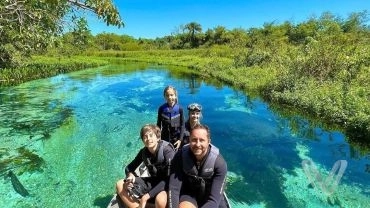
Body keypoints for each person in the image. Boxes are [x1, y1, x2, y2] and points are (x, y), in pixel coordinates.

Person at [168, 124, 228, 208]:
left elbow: (214, 200)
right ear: (189, 140)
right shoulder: (180, 156)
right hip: (189, 194)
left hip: (211, 196)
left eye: (202, 140)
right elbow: (174, 189)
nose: (197, 144)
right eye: (194, 140)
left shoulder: (219, 163)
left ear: (209, 141)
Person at [116, 124, 175, 208]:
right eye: (145, 137)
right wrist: (130, 175)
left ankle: (145, 204)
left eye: (151, 135)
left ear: (158, 137)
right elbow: (129, 167)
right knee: (120, 184)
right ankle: (140, 206)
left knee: (160, 201)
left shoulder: (167, 151)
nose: (148, 139)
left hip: (166, 185)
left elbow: (169, 179)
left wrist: (146, 196)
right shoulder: (144, 152)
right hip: (153, 182)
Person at [157, 85, 185, 150]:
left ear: (175, 96)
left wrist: (180, 140)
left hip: (176, 138)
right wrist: (158, 137)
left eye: (172, 95)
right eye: (167, 95)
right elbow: (158, 124)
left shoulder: (179, 109)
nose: (170, 97)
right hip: (164, 137)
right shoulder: (161, 108)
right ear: (165, 96)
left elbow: (182, 125)